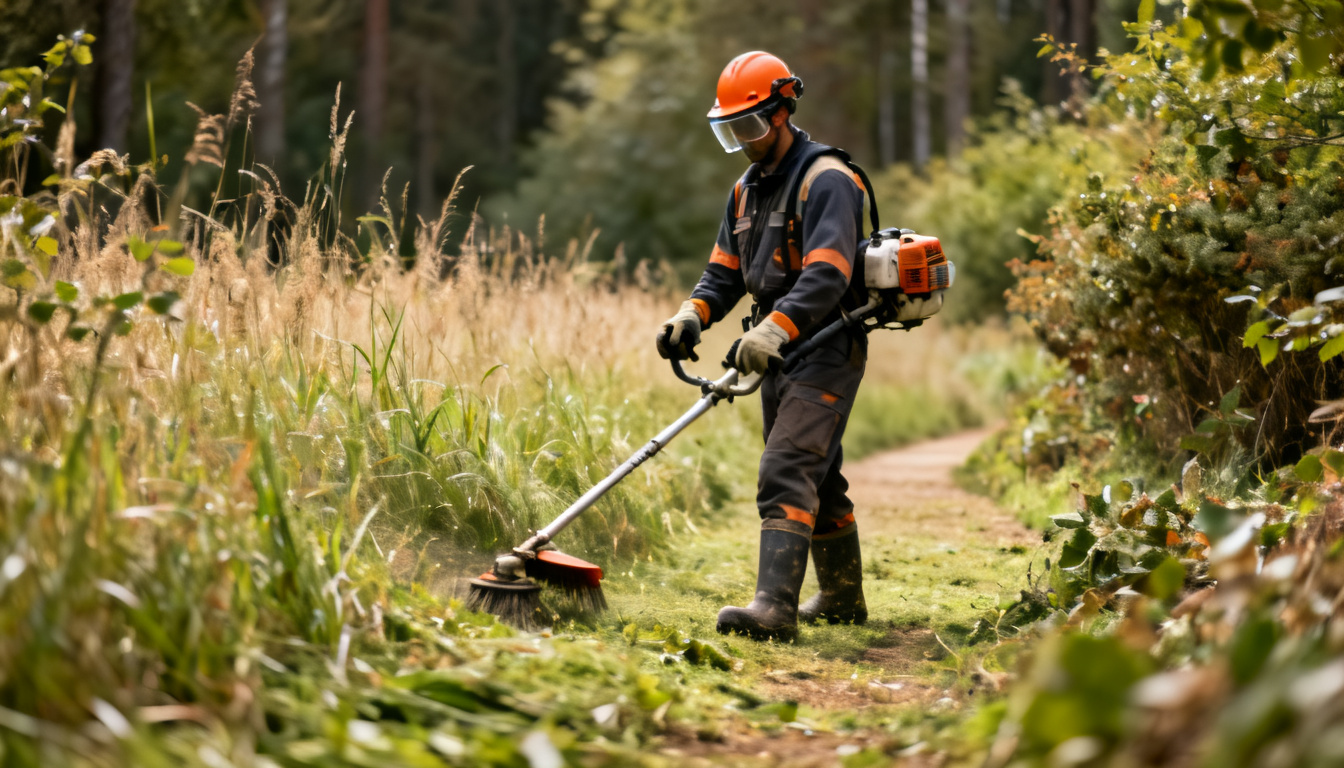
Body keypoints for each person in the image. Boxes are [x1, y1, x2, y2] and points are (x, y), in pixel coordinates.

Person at [656, 51, 869, 641]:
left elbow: (827, 274)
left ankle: (774, 607)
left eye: (750, 127)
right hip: (774, 347)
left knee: (786, 466)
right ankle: (844, 600)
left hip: (826, 342)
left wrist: (777, 326)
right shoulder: (746, 190)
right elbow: (723, 273)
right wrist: (691, 315)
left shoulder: (827, 180)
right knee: (818, 477)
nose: (744, 142)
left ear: (783, 110)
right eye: (731, 131)